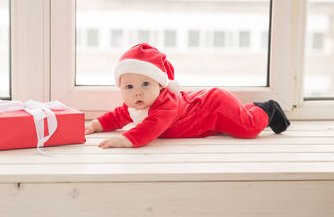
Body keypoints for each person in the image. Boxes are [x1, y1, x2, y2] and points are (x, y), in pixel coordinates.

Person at [85, 43, 290, 149]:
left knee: (248, 128)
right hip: (208, 109)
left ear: (160, 84)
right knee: (237, 120)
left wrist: (126, 140)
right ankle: (249, 108)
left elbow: (151, 127)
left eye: (146, 84)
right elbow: (116, 115)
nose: (137, 92)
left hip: (214, 105)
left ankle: (267, 109)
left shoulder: (165, 106)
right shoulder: (136, 105)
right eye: (129, 86)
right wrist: (95, 125)